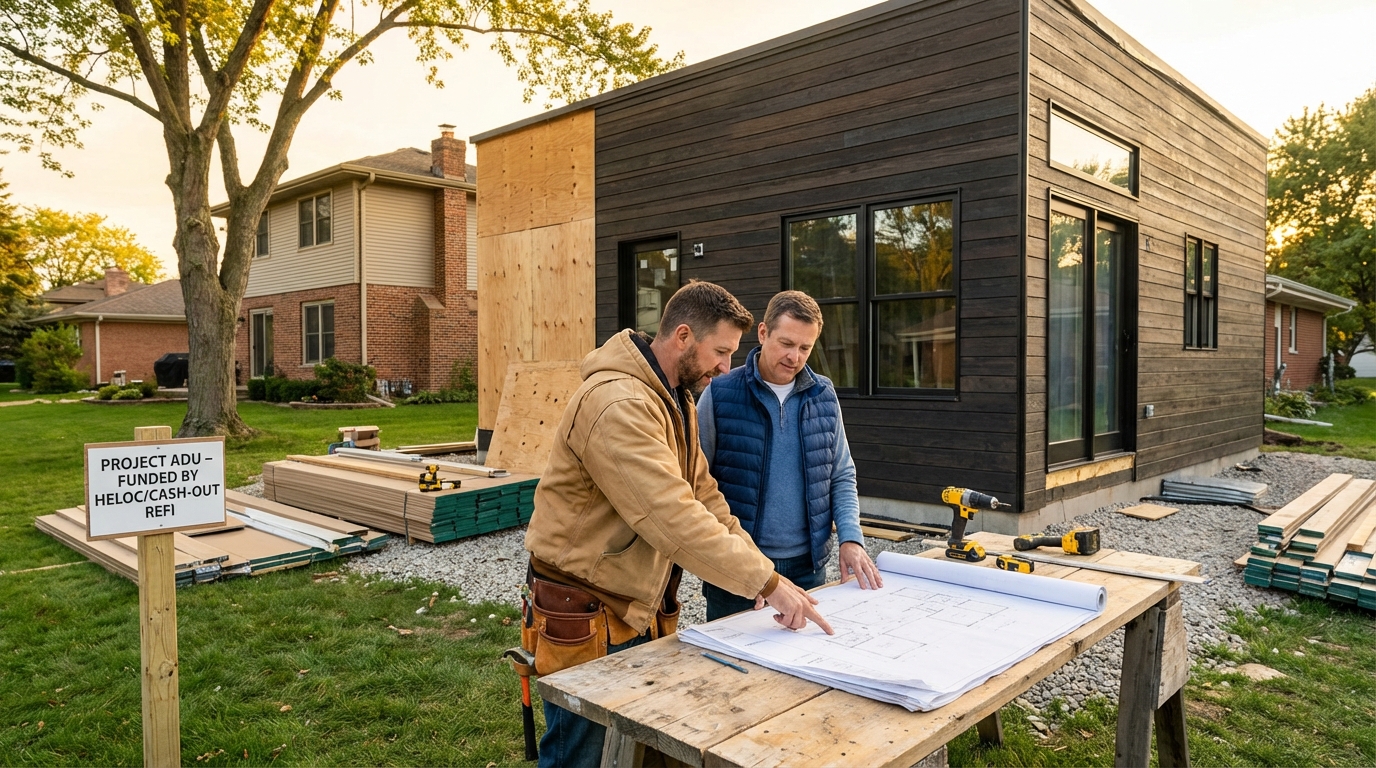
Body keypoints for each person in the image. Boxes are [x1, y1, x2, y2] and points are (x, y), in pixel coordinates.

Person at [524, 280, 834, 768]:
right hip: (584, 609)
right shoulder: (619, 404)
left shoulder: (674, 397)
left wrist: (760, 571)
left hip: (632, 605)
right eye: (721, 352)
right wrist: (767, 582)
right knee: (581, 754)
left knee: (637, 749)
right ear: (684, 336)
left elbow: (706, 498)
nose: (726, 368)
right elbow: (672, 517)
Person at [697, 290, 883, 621]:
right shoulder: (719, 393)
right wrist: (733, 561)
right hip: (739, 571)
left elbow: (841, 474)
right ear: (764, 332)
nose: (794, 357)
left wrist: (851, 538)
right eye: (786, 343)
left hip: (808, 570)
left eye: (805, 348)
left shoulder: (823, 395)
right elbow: (695, 484)